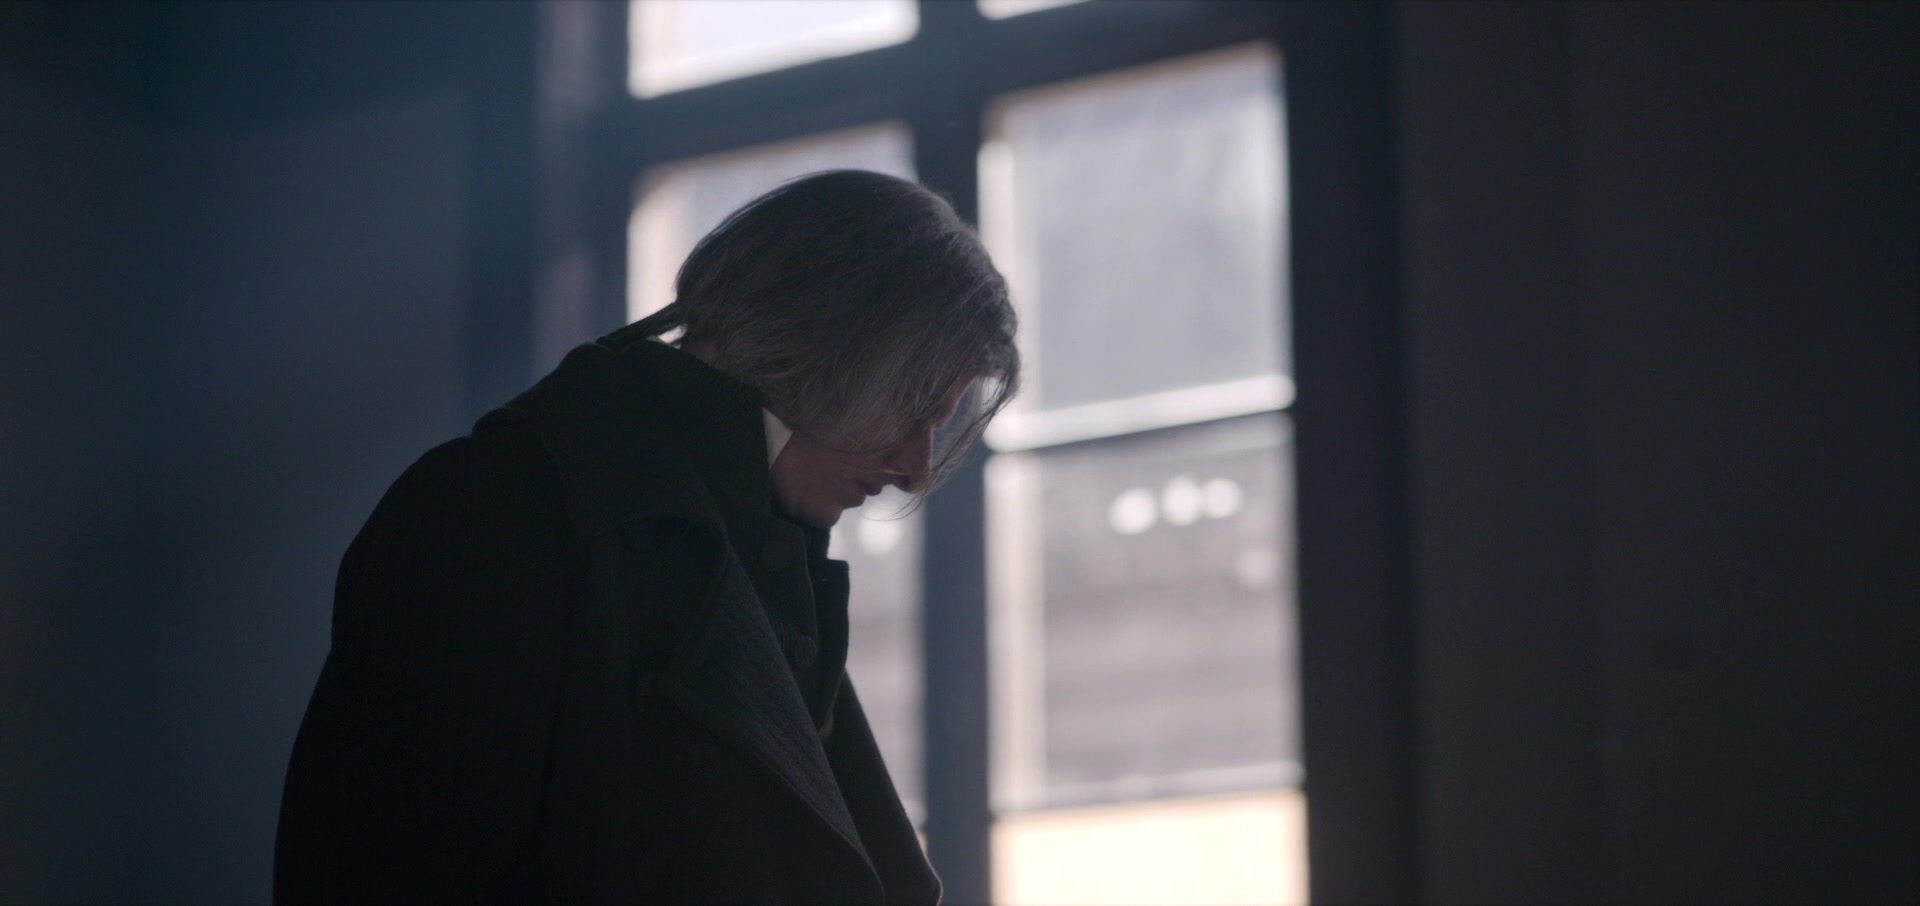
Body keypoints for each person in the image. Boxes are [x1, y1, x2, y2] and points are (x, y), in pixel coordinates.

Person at [273, 169, 1021, 904]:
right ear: (829, 341)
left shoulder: (744, 542)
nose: (917, 470)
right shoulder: (492, 511)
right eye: (914, 408)